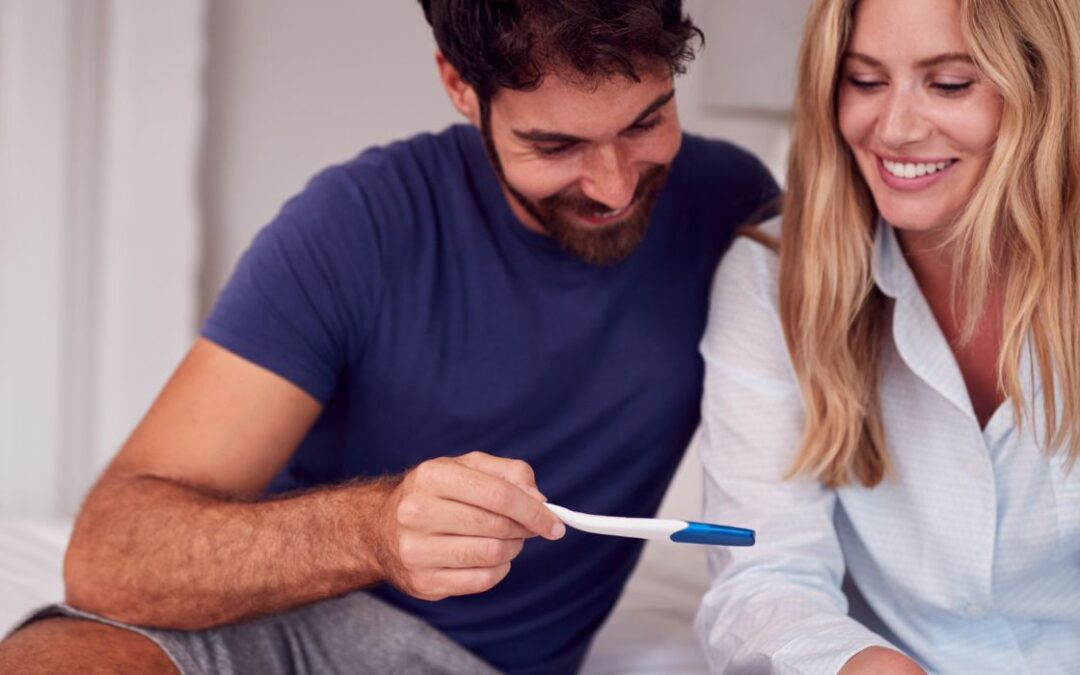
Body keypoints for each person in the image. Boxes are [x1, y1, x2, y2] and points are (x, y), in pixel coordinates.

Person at [0, 1, 778, 674]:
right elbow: (109, 554)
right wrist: (373, 531)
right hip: (262, 626)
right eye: (555, 146)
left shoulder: (732, 208)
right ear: (459, 87)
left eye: (648, 121)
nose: (613, 184)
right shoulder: (357, 223)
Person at [695, 0, 1080, 672]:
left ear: (1045, 89)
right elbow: (763, 572)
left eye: (950, 83)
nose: (895, 127)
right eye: (865, 81)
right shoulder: (772, 282)